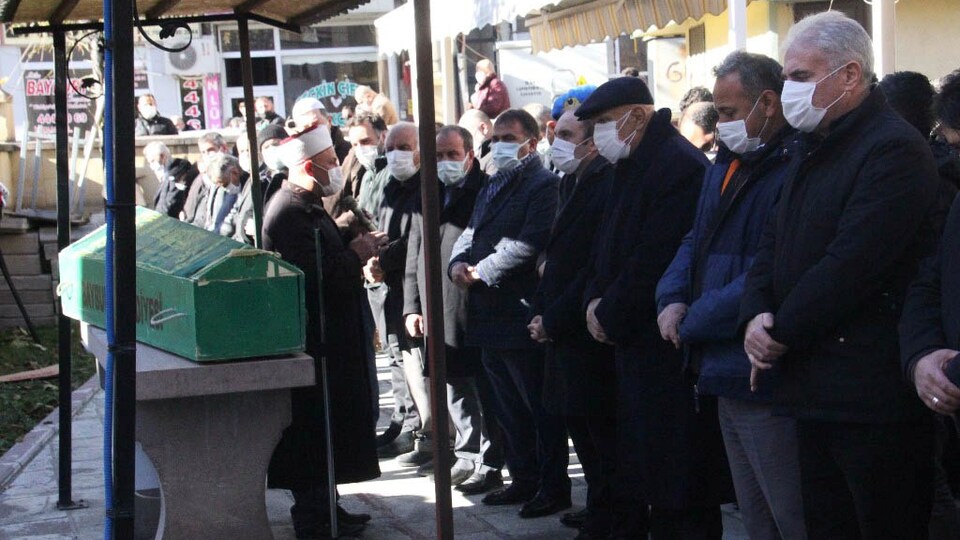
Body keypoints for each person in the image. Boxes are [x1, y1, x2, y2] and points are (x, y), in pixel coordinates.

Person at [738, 12, 940, 539]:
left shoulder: (892, 148)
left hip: (869, 396)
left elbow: (852, 265)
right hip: (812, 386)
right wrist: (754, 314)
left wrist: (777, 332)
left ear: (849, 75)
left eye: (800, 77)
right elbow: (770, 243)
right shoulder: (810, 145)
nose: (787, 91)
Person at [656, 51, 805, 540]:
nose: (718, 125)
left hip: (761, 371)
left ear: (767, 103)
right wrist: (671, 297)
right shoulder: (727, 164)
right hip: (718, 367)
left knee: (788, 512)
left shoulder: (795, 165)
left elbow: (772, 268)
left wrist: (696, 318)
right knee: (753, 512)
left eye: (726, 112)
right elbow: (695, 239)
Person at [574, 76, 730, 537]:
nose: (598, 135)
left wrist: (608, 312)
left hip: (664, 349)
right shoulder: (632, 162)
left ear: (637, 116)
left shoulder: (674, 165)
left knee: (679, 487)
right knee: (651, 480)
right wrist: (592, 303)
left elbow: (656, 258)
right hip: (632, 347)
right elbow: (605, 249)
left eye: (604, 123)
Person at [265, 125, 384, 539]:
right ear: (308, 166)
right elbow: (315, 278)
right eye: (332, 162)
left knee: (330, 429)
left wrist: (346, 231)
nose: (337, 169)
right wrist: (355, 253)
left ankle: (327, 504)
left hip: (333, 339)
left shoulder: (309, 206)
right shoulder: (289, 212)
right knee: (314, 431)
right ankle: (315, 516)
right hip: (316, 339)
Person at [448, 109, 569, 518]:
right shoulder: (492, 180)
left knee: (537, 405)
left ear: (530, 143)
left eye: (507, 137)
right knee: (504, 407)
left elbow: (529, 241)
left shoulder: (543, 184)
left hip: (518, 311)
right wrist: (457, 264)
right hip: (487, 315)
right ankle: (524, 478)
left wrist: (482, 271)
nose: (497, 143)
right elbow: (471, 231)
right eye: (495, 136)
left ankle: (552, 485)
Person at [527, 86, 618, 539]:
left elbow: (591, 265)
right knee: (582, 432)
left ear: (590, 140)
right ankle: (597, 510)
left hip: (584, 330)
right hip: (561, 326)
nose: (555, 142)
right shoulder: (569, 179)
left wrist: (556, 317)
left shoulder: (603, 181)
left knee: (601, 438)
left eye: (565, 135)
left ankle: (606, 516)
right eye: (554, 133)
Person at [402, 125, 505, 491]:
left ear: (469, 155)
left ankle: (490, 460)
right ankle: (467, 452)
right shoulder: (426, 193)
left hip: (471, 301)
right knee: (450, 382)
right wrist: (411, 307)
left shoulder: (486, 190)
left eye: (452, 155)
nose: (445, 163)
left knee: (484, 386)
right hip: (435, 305)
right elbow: (415, 252)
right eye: (438, 156)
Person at [366, 122, 424, 459]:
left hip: (411, 284)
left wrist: (383, 258)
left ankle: (422, 428)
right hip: (388, 282)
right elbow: (382, 229)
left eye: (403, 147)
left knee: (415, 359)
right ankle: (404, 420)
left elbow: (416, 239)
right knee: (397, 357)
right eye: (390, 148)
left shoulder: (424, 188)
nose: (395, 155)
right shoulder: (389, 186)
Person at [182, 132, 229, 227]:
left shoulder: (232, 173)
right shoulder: (200, 176)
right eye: (203, 152)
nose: (207, 155)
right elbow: (190, 205)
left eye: (210, 150)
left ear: (223, 148)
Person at [144, 141, 197, 218]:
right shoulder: (169, 173)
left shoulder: (177, 174)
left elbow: (170, 204)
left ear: (162, 157)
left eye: (153, 161)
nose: (152, 167)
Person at [458, 109, 496, 175]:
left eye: (467, 135)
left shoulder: (496, 157)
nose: (464, 141)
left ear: (483, 128)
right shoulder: (482, 154)